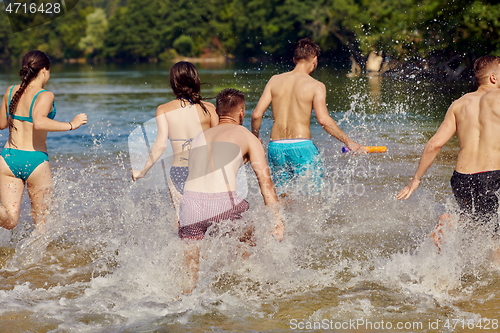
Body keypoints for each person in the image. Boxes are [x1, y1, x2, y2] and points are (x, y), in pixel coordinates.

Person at [179, 88, 284, 293]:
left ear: (217, 113)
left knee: (190, 276)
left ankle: (187, 299)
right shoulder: (247, 136)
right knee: (250, 235)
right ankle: (243, 284)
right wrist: (277, 221)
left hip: (189, 206)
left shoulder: (200, 137)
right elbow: (266, 184)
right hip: (222, 205)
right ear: (241, 113)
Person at [397, 55, 500, 240]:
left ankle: (452, 222)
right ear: (493, 77)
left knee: (480, 222)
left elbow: (434, 144)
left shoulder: (458, 104)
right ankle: (492, 266)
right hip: (491, 176)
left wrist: (416, 179)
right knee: (495, 231)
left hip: (461, 180)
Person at [251, 38, 362, 191]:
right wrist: (349, 142)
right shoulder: (316, 86)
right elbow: (323, 120)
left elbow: (256, 115)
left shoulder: (274, 80)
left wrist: (256, 138)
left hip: (276, 147)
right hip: (302, 146)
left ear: (294, 59)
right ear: (315, 60)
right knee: (313, 197)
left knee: (283, 195)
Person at [0, 50, 87, 232]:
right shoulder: (45, 95)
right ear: (45, 70)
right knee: (43, 227)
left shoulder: (10, 91)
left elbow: (1, 124)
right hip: (35, 161)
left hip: (8, 159)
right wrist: (72, 124)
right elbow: (39, 122)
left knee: (9, 219)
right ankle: (41, 261)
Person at [132, 61, 218, 218]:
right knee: (209, 216)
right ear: (195, 80)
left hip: (179, 170)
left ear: (174, 83)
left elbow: (160, 145)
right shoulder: (210, 108)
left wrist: (142, 171)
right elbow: (219, 143)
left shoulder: (163, 109)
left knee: (181, 218)